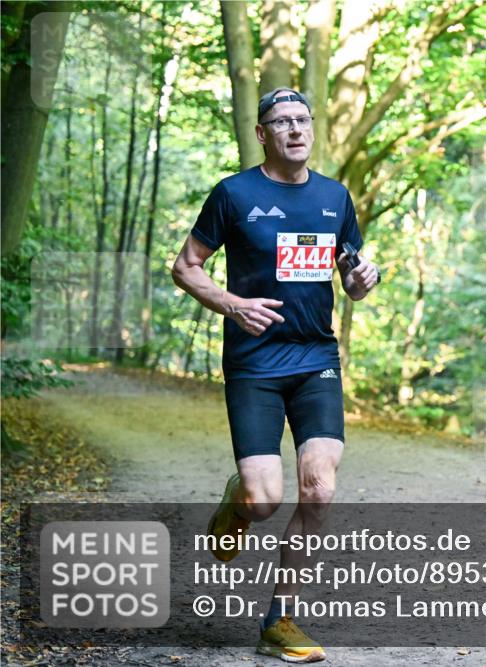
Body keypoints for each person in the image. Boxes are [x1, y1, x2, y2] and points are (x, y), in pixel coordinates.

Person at [172, 88, 379, 662]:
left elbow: (351, 275)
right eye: (282, 122)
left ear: (312, 129)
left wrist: (362, 279)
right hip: (254, 364)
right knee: (264, 501)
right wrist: (232, 304)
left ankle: (280, 619)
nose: (295, 129)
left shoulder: (335, 197)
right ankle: (238, 503)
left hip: (315, 359)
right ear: (263, 134)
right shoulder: (234, 194)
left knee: (320, 488)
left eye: (302, 120)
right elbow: (186, 267)